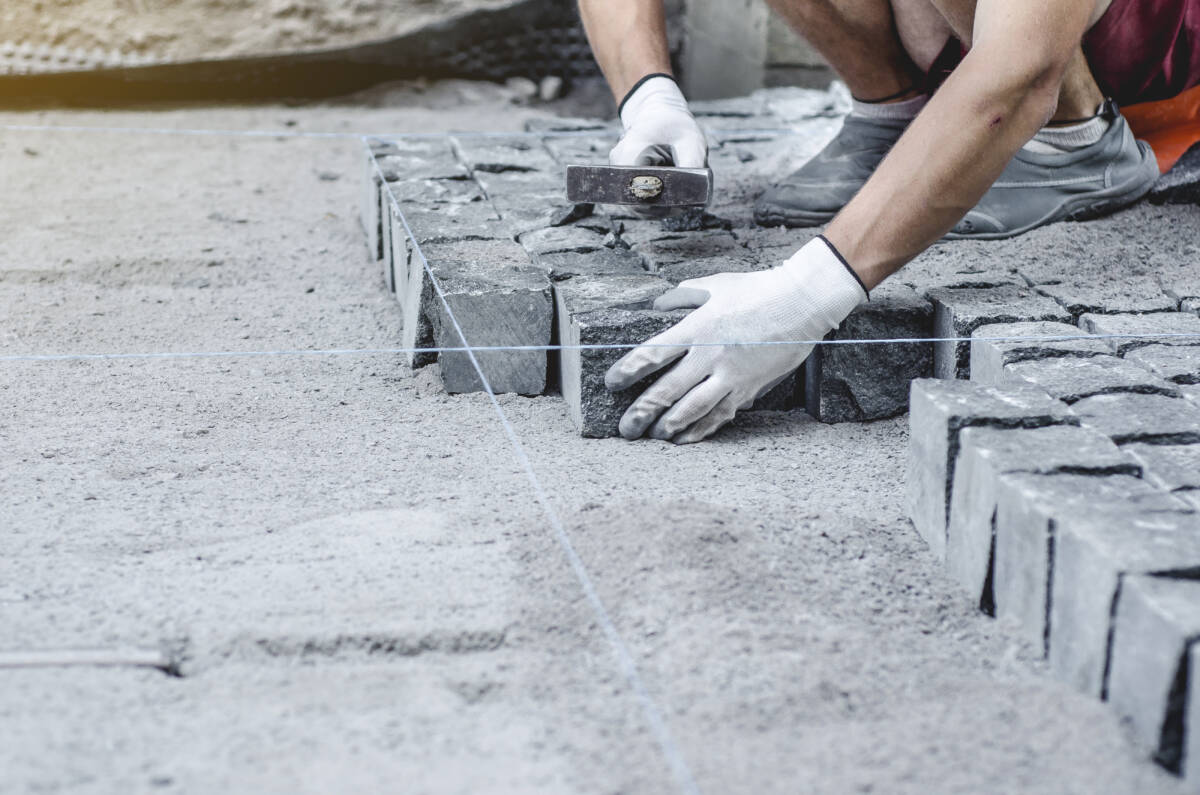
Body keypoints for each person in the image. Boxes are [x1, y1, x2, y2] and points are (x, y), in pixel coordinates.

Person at [576, 0, 1199, 444]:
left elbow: (1023, 67)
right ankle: (896, 112)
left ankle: (1075, 140)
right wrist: (647, 97)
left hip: (1124, 44)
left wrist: (804, 296)